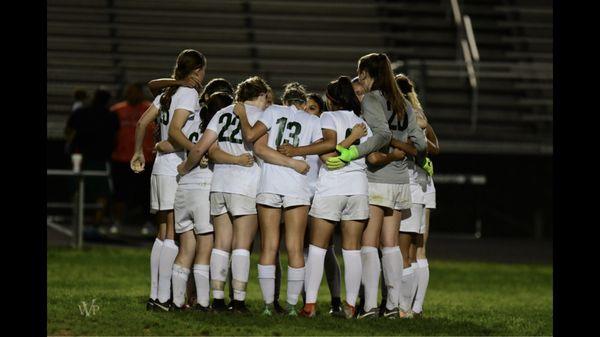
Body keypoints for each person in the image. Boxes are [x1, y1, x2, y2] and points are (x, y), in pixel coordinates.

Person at [130, 49, 207, 311]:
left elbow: (141, 123)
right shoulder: (187, 93)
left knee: (163, 234)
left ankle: (156, 295)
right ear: (197, 71)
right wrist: (196, 150)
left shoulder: (167, 93)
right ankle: (164, 298)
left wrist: (138, 151)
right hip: (176, 168)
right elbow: (175, 132)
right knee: (172, 235)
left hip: (160, 168)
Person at [293, 76, 371, 319]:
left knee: (317, 249)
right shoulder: (362, 122)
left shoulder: (328, 117)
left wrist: (299, 151)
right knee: (352, 251)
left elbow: (328, 147)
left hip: (332, 187)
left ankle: (310, 305)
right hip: (358, 187)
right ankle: (349, 307)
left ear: (331, 99)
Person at [395, 74, 439, 318]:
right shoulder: (420, 114)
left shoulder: (405, 115)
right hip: (424, 185)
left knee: (404, 252)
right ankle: (416, 307)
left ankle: (404, 309)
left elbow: (423, 148)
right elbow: (435, 147)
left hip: (410, 184)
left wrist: (405, 146)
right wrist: (422, 154)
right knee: (419, 251)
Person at [65, 88, 119, 226]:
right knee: (102, 192)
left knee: (77, 188)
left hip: (80, 157)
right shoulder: (111, 116)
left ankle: (77, 218)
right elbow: (116, 136)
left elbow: (68, 131)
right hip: (100, 158)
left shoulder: (80, 113)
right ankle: (97, 221)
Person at [109, 83, 154, 234]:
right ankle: (117, 222)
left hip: (145, 159)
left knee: (146, 193)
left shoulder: (151, 110)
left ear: (141, 94)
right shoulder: (116, 111)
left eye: (134, 92)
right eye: (129, 92)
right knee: (120, 193)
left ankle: (148, 222)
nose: (131, 95)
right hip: (121, 158)